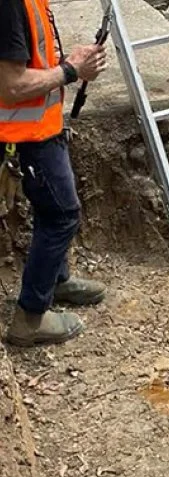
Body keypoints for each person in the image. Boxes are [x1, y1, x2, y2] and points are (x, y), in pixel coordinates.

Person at [0, 0, 108, 347]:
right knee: (61, 214)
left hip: (40, 129)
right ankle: (30, 318)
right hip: (23, 136)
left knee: (55, 210)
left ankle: (55, 280)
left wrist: (69, 64)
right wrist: (71, 71)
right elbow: (11, 86)